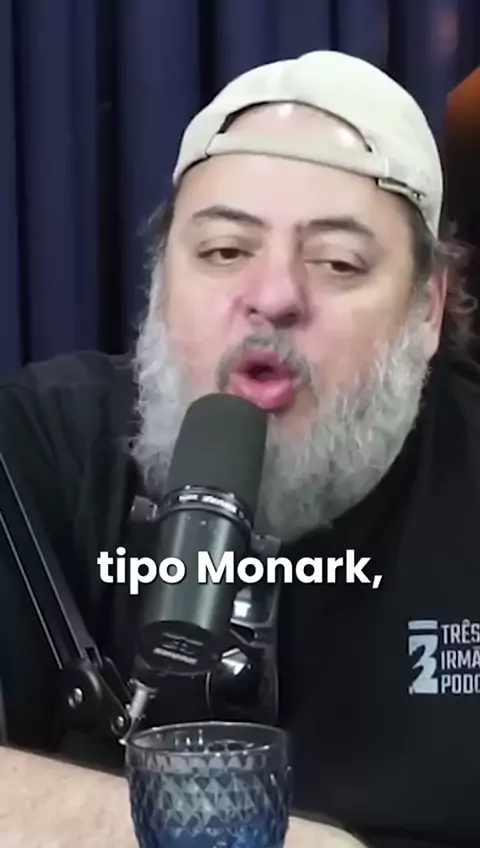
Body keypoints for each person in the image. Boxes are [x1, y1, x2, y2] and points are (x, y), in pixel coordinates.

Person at [1, 49, 479, 847]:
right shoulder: (34, 446)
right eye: (224, 251)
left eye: (338, 261)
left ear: (427, 309)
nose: (274, 296)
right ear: (161, 283)